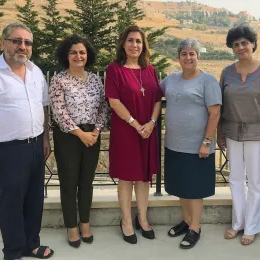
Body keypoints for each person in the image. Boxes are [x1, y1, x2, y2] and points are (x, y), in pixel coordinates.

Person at [0, 23, 54, 259]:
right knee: (12, 202)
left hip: (36, 146)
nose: (22, 47)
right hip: (9, 150)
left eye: (27, 43)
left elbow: (43, 108)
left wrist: (45, 137)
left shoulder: (35, 71)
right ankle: (13, 251)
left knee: (35, 199)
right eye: (17, 41)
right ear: (3, 43)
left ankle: (31, 244)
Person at [217, 25, 260, 245]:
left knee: (254, 182)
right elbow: (221, 105)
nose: (241, 47)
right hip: (233, 132)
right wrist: (220, 133)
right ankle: (237, 223)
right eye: (236, 44)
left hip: (258, 134)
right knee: (235, 180)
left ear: (253, 43)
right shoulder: (227, 72)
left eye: (244, 42)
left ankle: (252, 227)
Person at [160, 39, 221, 249]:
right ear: (178, 57)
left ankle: (195, 227)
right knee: (181, 187)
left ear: (198, 56)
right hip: (174, 144)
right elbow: (152, 95)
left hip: (198, 147)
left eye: (192, 54)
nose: (188, 57)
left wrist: (206, 141)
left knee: (195, 189)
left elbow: (215, 113)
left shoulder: (208, 80)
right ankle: (186, 221)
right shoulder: (170, 80)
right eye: (184, 54)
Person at [105, 25, 162, 244]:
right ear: (123, 44)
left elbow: (157, 99)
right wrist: (136, 124)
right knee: (127, 176)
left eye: (138, 41)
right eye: (130, 40)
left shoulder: (150, 69)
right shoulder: (114, 69)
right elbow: (114, 101)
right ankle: (127, 221)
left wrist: (151, 123)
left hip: (148, 130)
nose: (134, 45)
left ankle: (143, 218)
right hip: (126, 131)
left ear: (144, 45)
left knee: (144, 176)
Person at [49, 34, 108, 248]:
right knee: (68, 183)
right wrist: (79, 133)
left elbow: (103, 106)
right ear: (66, 55)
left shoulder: (94, 79)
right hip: (68, 138)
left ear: (87, 55)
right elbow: (58, 111)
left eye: (82, 52)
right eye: (73, 52)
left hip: (92, 136)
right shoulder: (58, 80)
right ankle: (71, 226)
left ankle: (85, 223)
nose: (78, 56)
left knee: (86, 183)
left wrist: (96, 130)